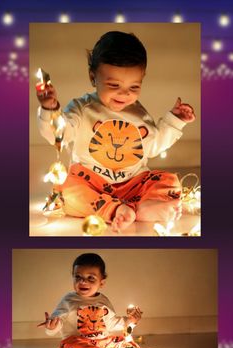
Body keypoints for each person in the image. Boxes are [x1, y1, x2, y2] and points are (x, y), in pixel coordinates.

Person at [36, 31, 195, 232]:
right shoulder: (81, 109)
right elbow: (58, 135)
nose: (125, 93)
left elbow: (153, 146)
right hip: (92, 184)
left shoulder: (139, 114)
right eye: (114, 85)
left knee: (169, 182)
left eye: (134, 86)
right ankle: (114, 210)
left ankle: (141, 208)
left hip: (133, 184)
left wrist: (175, 120)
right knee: (66, 190)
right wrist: (51, 109)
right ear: (93, 77)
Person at [38, 253, 150, 348]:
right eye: (78, 277)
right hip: (79, 343)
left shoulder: (103, 301)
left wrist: (130, 321)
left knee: (121, 340)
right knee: (70, 347)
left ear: (101, 283)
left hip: (102, 341)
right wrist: (51, 327)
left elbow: (111, 322)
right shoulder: (68, 300)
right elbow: (58, 320)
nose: (83, 281)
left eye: (90, 278)